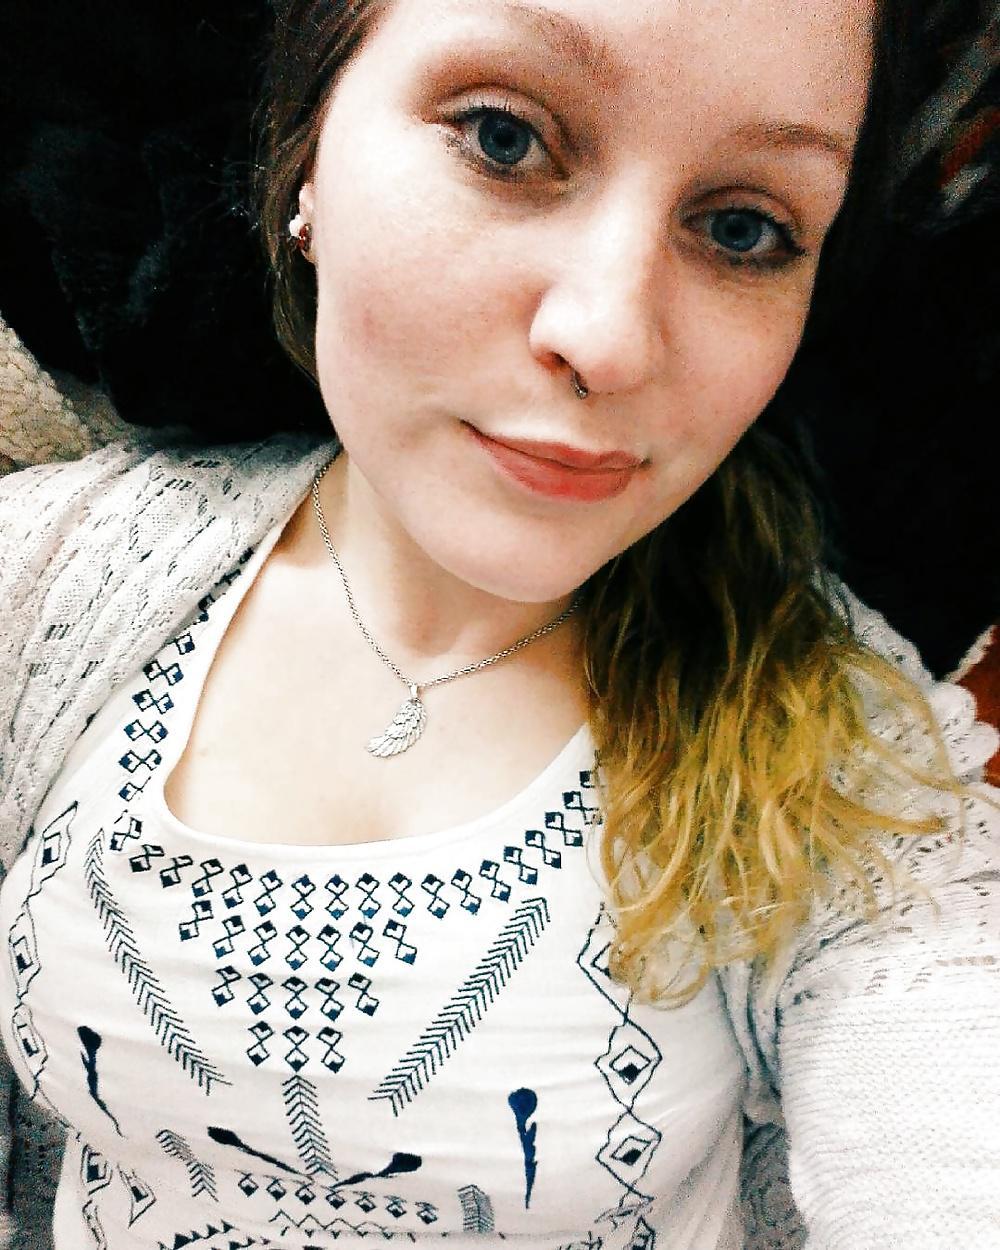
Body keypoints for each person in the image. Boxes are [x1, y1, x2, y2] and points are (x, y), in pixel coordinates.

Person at [0, 0, 997, 1246]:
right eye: (504, 139)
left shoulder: (853, 759)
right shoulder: (39, 585)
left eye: (741, 228)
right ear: (307, 154)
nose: (607, 338)